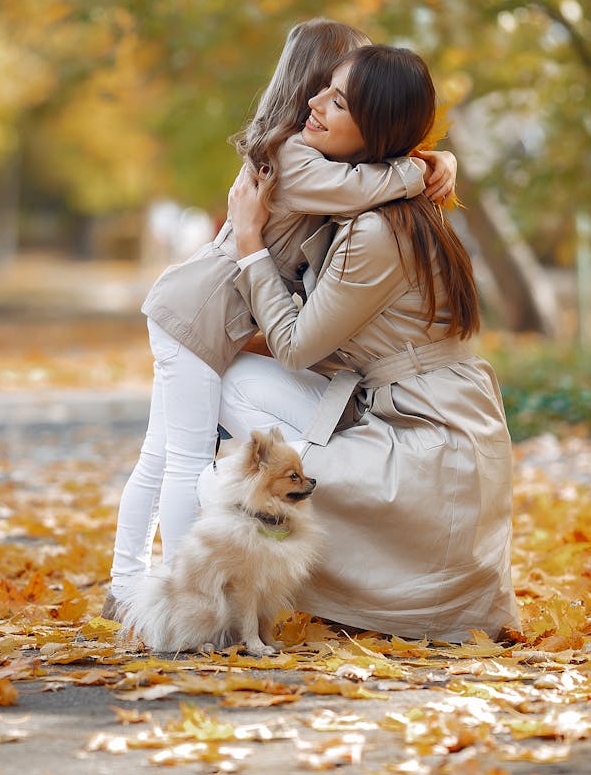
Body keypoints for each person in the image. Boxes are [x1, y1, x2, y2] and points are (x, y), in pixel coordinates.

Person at [105, 19, 459, 615]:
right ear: (317, 85)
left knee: (161, 455)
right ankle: (172, 596)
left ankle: (123, 586)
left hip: (197, 311)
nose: (337, 101)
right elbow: (356, 190)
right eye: (343, 88)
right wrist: (423, 168)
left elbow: (357, 175)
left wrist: (432, 154)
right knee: (185, 459)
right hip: (200, 314)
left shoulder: (289, 149)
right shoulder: (293, 154)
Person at [216, 43, 520, 642]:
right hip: (425, 415)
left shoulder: (379, 229)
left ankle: (251, 597)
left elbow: (299, 347)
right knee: (238, 395)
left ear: (375, 127)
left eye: (340, 102)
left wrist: (250, 243)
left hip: (427, 444)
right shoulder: (396, 205)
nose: (314, 104)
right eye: (323, 90)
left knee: (231, 473)